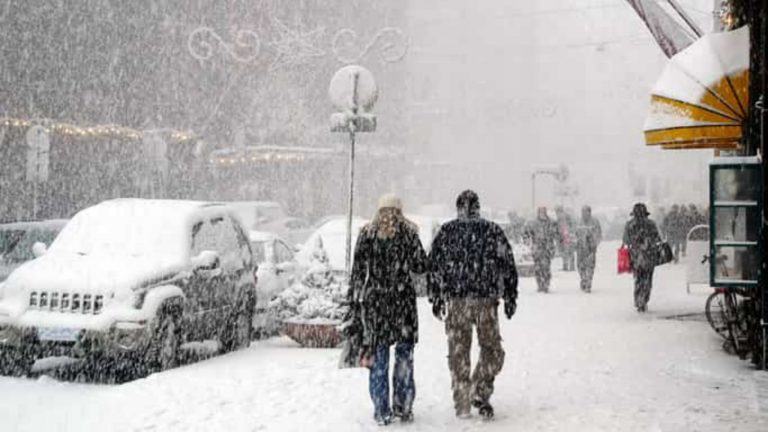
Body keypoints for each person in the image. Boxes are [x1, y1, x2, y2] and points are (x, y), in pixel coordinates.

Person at [428, 190, 518, 419]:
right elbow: (507, 264)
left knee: (458, 353)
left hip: (459, 301)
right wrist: (510, 294)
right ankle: (479, 389)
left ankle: (463, 400)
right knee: (493, 350)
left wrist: (436, 296)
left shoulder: (448, 232)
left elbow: (434, 266)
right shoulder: (491, 231)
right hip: (485, 301)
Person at [348, 193, 427, 425]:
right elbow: (420, 266)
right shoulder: (409, 234)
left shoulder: (367, 234)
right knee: (404, 359)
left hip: (377, 305)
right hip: (402, 304)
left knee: (379, 360)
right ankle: (403, 406)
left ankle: (381, 409)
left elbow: (358, 272)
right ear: (400, 211)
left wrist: (355, 300)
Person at [622, 203, 662, 313]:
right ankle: (644, 299)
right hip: (649, 255)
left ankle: (639, 299)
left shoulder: (629, 225)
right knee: (647, 279)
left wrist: (635, 243)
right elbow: (658, 238)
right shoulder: (651, 224)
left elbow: (625, 240)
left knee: (638, 278)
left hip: (636, 257)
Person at [525, 207, 558, 293]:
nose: (542, 213)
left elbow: (556, 234)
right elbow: (527, 233)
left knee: (546, 267)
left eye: (543, 212)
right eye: (541, 212)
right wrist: (528, 241)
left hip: (547, 249)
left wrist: (554, 242)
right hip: (537, 249)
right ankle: (540, 284)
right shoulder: (533, 223)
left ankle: (546, 284)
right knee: (538, 268)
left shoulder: (551, 222)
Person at [575, 205, 602, 293]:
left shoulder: (595, 222)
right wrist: (575, 242)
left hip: (591, 249)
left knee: (590, 267)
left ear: (589, 212)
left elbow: (599, 234)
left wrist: (594, 243)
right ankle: (583, 279)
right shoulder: (578, 222)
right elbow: (574, 234)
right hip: (580, 249)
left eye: (586, 212)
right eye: (582, 212)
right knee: (580, 266)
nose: (584, 214)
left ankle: (588, 282)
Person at [555, 206, 576, 271]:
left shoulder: (561, 217)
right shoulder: (566, 216)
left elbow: (560, 227)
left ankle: (566, 266)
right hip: (567, 235)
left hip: (565, 235)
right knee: (569, 251)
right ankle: (571, 266)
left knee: (565, 251)